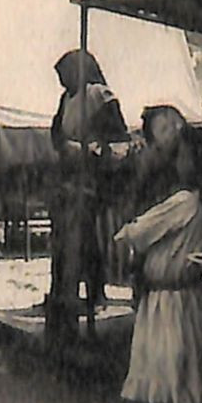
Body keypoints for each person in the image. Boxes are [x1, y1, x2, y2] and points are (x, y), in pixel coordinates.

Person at [111, 106, 202, 403]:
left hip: (166, 297)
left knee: (165, 370)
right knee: (188, 369)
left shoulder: (182, 201)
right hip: (190, 295)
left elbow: (135, 232)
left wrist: (129, 232)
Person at [47, 49, 132, 343]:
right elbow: (56, 133)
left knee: (86, 235)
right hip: (70, 175)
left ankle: (95, 291)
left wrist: (89, 149)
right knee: (68, 238)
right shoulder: (66, 99)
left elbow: (118, 137)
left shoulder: (99, 95)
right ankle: (65, 292)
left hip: (94, 176)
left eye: (65, 74)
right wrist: (65, 147)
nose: (62, 82)